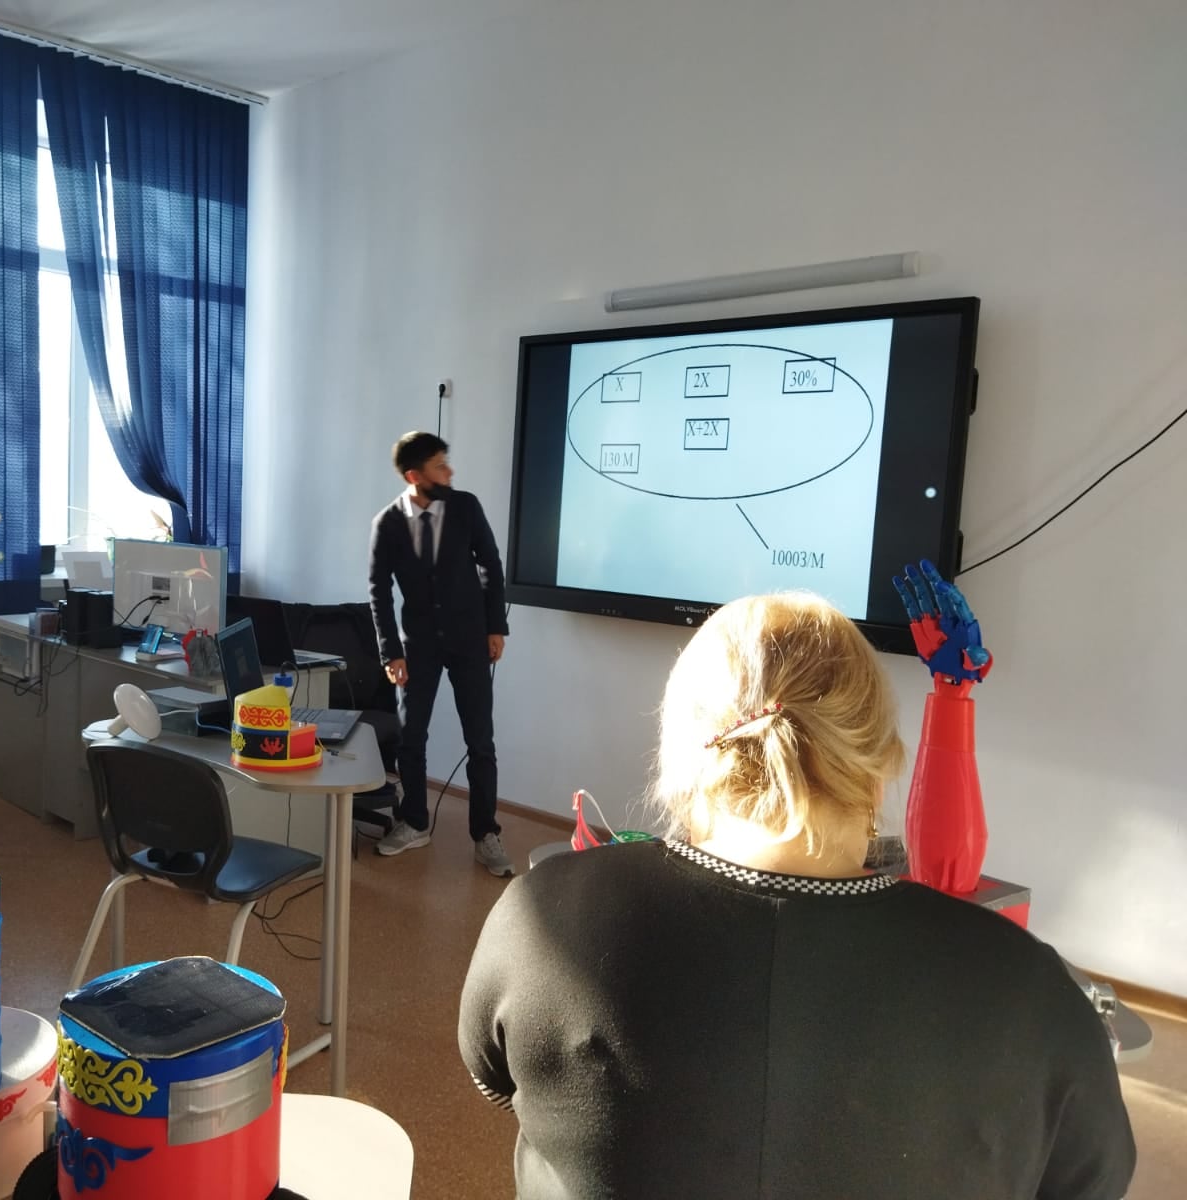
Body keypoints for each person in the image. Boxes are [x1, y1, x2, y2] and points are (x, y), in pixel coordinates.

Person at [458, 590, 1134, 1199]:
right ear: (877, 770)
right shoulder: (1028, 985)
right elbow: (1091, 1178)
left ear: (683, 758)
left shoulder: (540, 916)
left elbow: (496, 1078)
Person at [368, 431, 513, 876]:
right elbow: (378, 591)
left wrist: (495, 626)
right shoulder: (387, 524)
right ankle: (414, 822)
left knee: (480, 741)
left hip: (470, 640)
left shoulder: (466, 507)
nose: (449, 472)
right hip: (417, 646)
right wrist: (391, 653)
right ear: (415, 476)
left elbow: (490, 563)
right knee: (411, 737)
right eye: (439, 466)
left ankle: (485, 833)